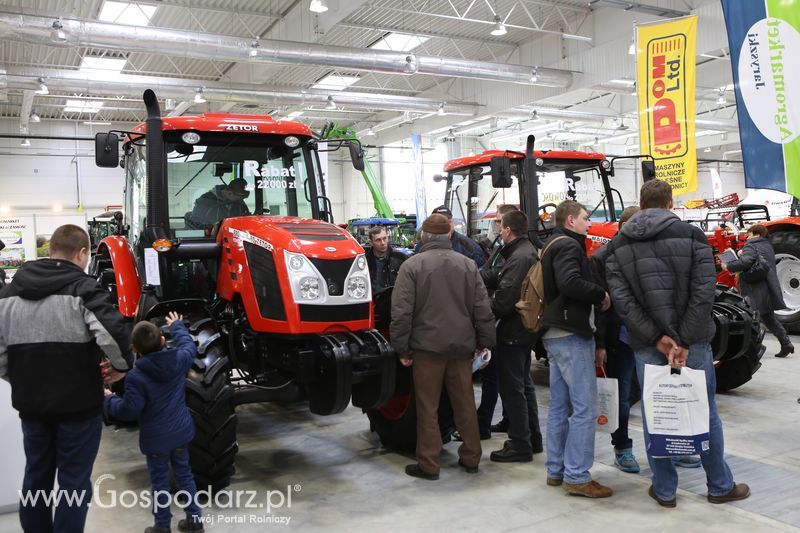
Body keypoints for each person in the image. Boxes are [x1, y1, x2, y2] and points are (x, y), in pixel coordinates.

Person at [606, 179, 751, 507]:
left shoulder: (618, 245)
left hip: (647, 345)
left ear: (641, 205)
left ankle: (665, 489)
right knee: (705, 410)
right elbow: (704, 290)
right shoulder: (692, 236)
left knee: (655, 412)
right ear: (671, 203)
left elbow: (623, 300)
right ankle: (719, 485)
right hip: (694, 343)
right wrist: (683, 340)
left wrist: (659, 339)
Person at [0, 224, 132, 532]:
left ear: (51, 249)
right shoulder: (83, 289)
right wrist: (122, 367)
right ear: (82, 253)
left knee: (36, 477)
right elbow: (114, 334)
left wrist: (19, 379)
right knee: (74, 482)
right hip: (79, 405)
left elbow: (1, 353)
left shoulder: (9, 294)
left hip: (31, 405)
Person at [391, 214, 496, 480]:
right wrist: (485, 342)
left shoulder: (412, 266)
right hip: (461, 349)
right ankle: (472, 457)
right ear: (449, 236)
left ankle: (429, 464)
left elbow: (401, 312)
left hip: (427, 350)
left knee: (428, 407)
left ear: (423, 237)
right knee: (465, 404)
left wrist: (402, 349)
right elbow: (481, 307)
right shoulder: (468, 265)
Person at [104, 312, 204, 533]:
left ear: (134, 350)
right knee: (184, 473)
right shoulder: (179, 359)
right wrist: (177, 326)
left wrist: (109, 399)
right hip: (180, 432)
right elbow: (188, 345)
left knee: (159, 483)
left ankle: (162, 526)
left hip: (156, 441)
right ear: (162, 340)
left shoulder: (136, 377)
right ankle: (195, 520)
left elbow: (129, 410)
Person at [540, 200, 613, 498]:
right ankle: (578, 476)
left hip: (555, 334)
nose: (589, 223)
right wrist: (601, 294)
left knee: (559, 406)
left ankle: (556, 470)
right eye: (585, 218)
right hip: (571, 334)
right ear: (570, 220)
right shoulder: (569, 246)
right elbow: (570, 283)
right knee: (585, 408)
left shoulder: (551, 244)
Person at [489, 210, 544, 463]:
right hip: (523, 329)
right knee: (523, 385)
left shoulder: (519, 257)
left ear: (508, 230)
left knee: (513, 389)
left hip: (513, 330)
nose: (499, 231)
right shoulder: (525, 252)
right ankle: (532, 438)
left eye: (501, 227)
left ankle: (520, 443)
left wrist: (484, 303)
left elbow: (504, 301)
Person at [591, 206, 641, 474]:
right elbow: (599, 305)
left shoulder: (647, 253)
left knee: (658, 394)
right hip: (619, 338)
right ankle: (622, 447)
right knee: (620, 397)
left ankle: (672, 447)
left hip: (650, 337)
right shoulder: (602, 258)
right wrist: (599, 343)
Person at [722, 223, 794, 358]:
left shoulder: (751, 245)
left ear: (756, 234)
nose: (747, 237)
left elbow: (746, 263)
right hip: (768, 285)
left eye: (749, 234)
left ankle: (753, 350)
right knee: (769, 318)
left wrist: (728, 266)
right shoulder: (767, 245)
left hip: (754, 288)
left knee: (751, 319)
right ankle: (786, 343)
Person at [414, 206, 487, 266]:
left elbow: (480, 274)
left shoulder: (469, 246)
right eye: (440, 222)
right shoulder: (421, 247)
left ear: (452, 222)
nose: (445, 225)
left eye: (448, 221)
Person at [185, 177, 251, 229]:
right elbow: (194, 224)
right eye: (238, 199)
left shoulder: (239, 204)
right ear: (229, 193)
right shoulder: (205, 200)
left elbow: (244, 218)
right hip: (210, 239)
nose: (241, 201)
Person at [364, 226, 407, 294]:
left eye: (384, 238)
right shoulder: (364, 259)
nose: (383, 243)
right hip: (371, 300)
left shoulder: (400, 258)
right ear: (371, 242)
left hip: (391, 299)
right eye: (378, 240)